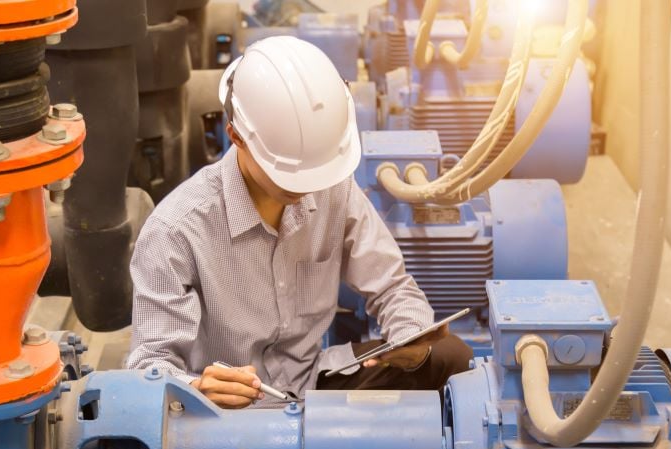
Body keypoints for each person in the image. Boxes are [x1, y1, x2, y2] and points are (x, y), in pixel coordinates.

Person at [127, 36, 472, 408]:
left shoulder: (331, 185)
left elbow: (392, 286)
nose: (308, 188)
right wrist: (194, 388)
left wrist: (411, 338)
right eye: (292, 175)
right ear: (236, 137)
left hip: (311, 383)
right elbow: (148, 366)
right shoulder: (175, 232)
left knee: (450, 357)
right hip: (226, 413)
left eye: (315, 173)